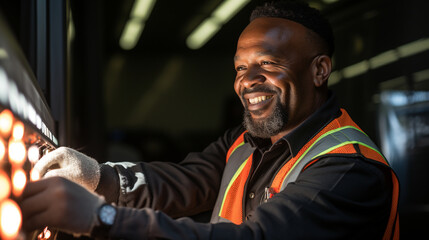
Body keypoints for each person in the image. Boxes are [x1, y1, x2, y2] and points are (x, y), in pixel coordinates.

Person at [19, 1, 400, 239]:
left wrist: (101, 217)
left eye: (268, 64)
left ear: (319, 70)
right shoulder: (247, 140)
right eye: (240, 67)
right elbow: (182, 181)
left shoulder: (348, 169)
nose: (248, 81)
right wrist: (94, 176)